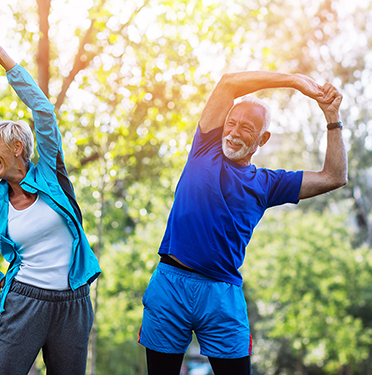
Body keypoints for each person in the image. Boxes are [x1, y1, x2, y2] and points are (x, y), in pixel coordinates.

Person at [138, 71, 347, 375]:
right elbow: (228, 83)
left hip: (223, 297)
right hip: (171, 285)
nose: (233, 132)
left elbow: (334, 176)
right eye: (231, 123)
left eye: (246, 128)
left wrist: (332, 117)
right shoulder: (204, 148)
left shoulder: (268, 184)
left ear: (263, 139)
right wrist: (295, 81)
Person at [0, 35, 101, 375]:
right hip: (24, 303)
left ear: (17, 146)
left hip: (74, 304)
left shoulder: (50, 174)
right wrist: (2, 281)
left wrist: (5, 60)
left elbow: (44, 111)